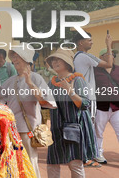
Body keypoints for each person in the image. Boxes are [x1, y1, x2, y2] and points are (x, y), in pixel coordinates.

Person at [0, 44, 56, 178]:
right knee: (13, 162)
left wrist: (30, 83)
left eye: (18, 56)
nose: (15, 59)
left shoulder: (36, 78)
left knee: (30, 161)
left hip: (27, 129)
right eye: (14, 57)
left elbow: (45, 101)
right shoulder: (12, 80)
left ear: (27, 59)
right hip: (11, 129)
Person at [46, 48, 96, 178]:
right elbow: (46, 104)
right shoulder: (52, 83)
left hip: (73, 129)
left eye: (59, 59)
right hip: (56, 128)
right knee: (52, 164)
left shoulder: (77, 80)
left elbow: (85, 104)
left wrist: (70, 91)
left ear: (67, 63)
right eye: (54, 60)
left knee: (75, 164)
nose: (55, 62)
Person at [73, 31, 112, 167]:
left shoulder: (77, 57)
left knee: (84, 125)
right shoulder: (84, 56)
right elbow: (109, 64)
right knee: (90, 125)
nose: (92, 42)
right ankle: (92, 154)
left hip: (81, 95)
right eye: (89, 40)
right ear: (80, 42)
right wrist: (108, 45)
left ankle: (85, 154)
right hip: (88, 97)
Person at [93, 48, 119, 164]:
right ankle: (98, 153)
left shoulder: (118, 69)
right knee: (98, 132)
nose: (111, 56)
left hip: (116, 107)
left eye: (112, 55)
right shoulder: (94, 70)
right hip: (100, 106)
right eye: (108, 54)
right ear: (102, 57)